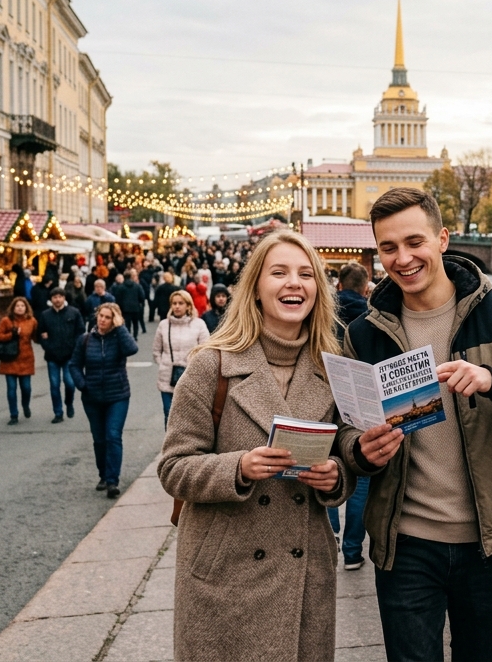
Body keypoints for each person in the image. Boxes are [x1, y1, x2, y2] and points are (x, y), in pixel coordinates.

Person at [336, 188, 492, 662]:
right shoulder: (363, 333)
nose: (402, 259)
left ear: (442, 239)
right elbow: (343, 429)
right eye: (388, 247)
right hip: (405, 547)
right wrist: (361, 450)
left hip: (487, 543)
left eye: (414, 242)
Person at [158, 230, 353, 661]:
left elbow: (345, 457)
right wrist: (239, 467)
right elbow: (173, 466)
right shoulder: (213, 364)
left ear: (318, 291)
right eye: (279, 272)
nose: (293, 283)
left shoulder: (333, 370)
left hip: (305, 573)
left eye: (306, 274)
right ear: (256, 288)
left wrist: (335, 477)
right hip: (226, 572)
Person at [329, 261, 373, 571]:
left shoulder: (323, 313)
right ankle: (353, 551)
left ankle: (329, 530)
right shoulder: (372, 316)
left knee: (322, 470)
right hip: (360, 405)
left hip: (325, 401)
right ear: (364, 286)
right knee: (360, 484)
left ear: (339, 285)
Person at [69, 303, 138, 498]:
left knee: (113, 435)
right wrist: (82, 384)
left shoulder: (119, 338)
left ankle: (112, 481)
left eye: (108, 317)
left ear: (114, 320)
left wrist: (120, 326)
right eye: (101, 316)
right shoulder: (85, 340)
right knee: (99, 439)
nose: (103, 320)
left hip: (118, 395)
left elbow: (132, 348)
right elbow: (74, 365)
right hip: (92, 398)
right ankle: (103, 475)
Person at [152, 290, 210, 427]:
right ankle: (171, 447)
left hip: (191, 377)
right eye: (174, 303)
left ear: (188, 305)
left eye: (180, 303)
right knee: (169, 414)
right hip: (167, 379)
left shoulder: (199, 324)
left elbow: (206, 350)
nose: (177, 306)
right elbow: (156, 351)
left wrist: (194, 366)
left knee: (189, 417)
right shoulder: (164, 325)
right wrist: (164, 364)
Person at [37, 288, 83, 423]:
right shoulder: (45, 315)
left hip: (69, 355)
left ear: (64, 298)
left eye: (60, 297)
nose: (57, 300)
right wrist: (47, 346)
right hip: (52, 356)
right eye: (54, 297)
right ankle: (58, 412)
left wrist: (74, 347)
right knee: (54, 385)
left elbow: (80, 332)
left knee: (70, 383)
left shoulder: (73, 313)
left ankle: (69, 402)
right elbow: (41, 334)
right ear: (51, 300)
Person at [0, 297, 38, 425]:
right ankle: (14, 414)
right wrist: (11, 335)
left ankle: (25, 405)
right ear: (13, 308)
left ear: (26, 308)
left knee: (26, 388)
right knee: (11, 389)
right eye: (17, 306)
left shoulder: (32, 321)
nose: (20, 308)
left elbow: (35, 337)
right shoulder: (6, 321)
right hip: (9, 358)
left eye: (22, 306)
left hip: (26, 358)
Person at [112, 269, 147, 340]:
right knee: (135, 323)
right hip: (135, 307)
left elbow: (118, 299)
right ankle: (135, 336)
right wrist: (141, 304)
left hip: (125, 309)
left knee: (127, 324)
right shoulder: (137, 286)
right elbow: (142, 296)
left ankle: (128, 336)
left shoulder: (120, 287)